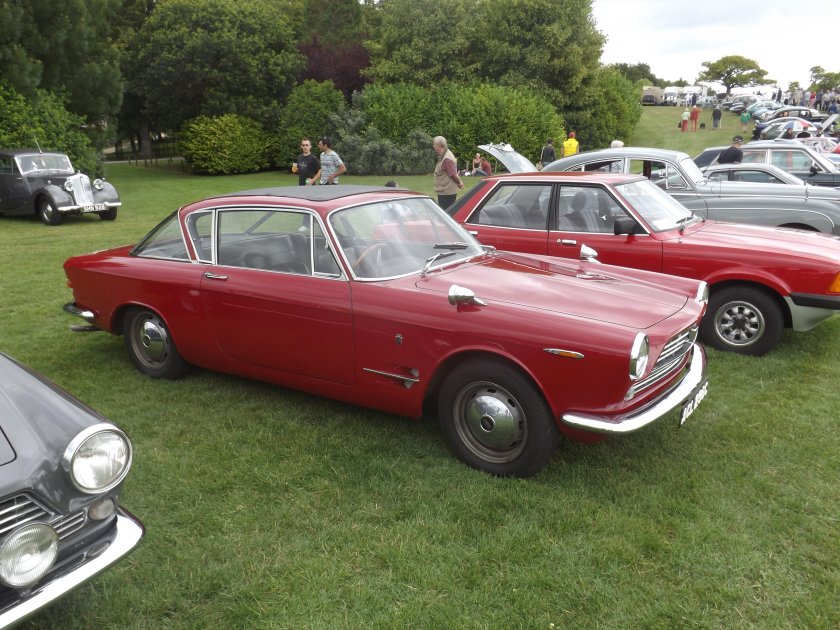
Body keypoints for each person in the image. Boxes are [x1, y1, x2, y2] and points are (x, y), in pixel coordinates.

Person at [432, 136, 463, 209]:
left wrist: (459, 183)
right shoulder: (445, 155)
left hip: (446, 193)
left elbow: (453, 174)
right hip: (445, 191)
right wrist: (460, 182)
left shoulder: (447, 159)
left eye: (434, 145)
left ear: (440, 145)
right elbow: (453, 172)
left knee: (447, 213)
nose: (433, 147)